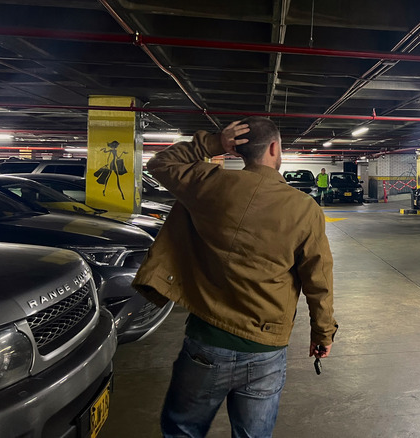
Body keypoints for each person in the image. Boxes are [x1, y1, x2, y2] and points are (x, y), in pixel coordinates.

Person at [132, 117, 338, 438]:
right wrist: (322, 334)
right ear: (274, 148)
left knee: (183, 430)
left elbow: (161, 162)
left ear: (238, 149)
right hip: (265, 347)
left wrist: (212, 143)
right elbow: (318, 281)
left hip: (206, 341)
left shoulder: (208, 184)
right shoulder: (304, 208)